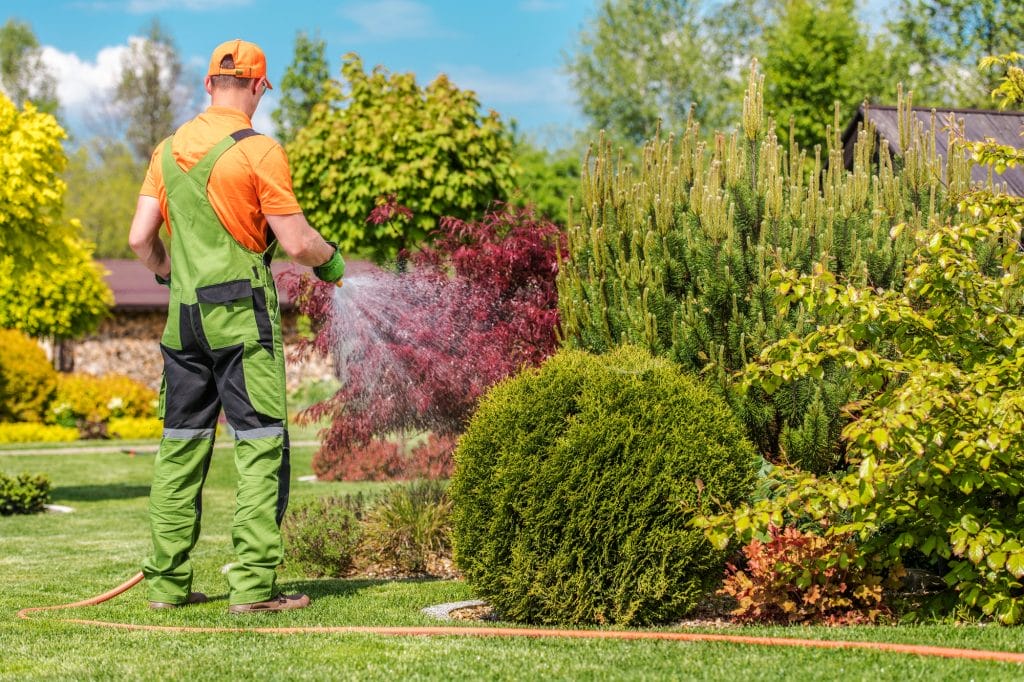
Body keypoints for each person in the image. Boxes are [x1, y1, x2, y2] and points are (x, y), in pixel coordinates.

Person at [128, 38, 344, 614]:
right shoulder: (259, 151)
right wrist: (332, 261)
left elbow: (138, 240)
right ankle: (251, 587)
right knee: (260, 445)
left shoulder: (167, 151)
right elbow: (297, 242)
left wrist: (171, 276)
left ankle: (167, 588)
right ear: (257, 86)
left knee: (179, 448)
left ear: (207, 85)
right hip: (241, 322)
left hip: (184, 324)